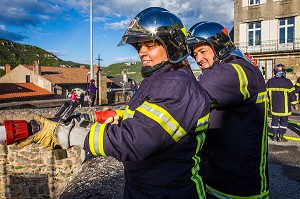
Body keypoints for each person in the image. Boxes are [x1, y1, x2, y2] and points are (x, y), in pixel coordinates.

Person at [17, 7, 211, 199]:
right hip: (144, 188)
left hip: (170, 192)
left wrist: (65, 134)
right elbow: (139, 116)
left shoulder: (177, 87)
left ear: (172, 45)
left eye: (150, 44)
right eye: (138, 46)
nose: (141, 52)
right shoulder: (159, 80)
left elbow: (136, 140)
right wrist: (99, 117)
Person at [187, 21, 269, 198]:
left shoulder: (239, 71)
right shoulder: (226, 70)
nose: (198, 59)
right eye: (194, 55)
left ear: (220, 46)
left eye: (202, 51)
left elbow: (194, 90)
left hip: (240, 186)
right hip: (216, 177)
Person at [266, 63, 298, 142]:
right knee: (284, 122)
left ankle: (274, 135)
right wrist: (295, 104)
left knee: (274, 121)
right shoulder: (287, 82)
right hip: (285, 109)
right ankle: (280, 136)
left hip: (274, 108)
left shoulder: (270, 82)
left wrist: (266, 104)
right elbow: (292, 95)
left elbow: (265, 95)